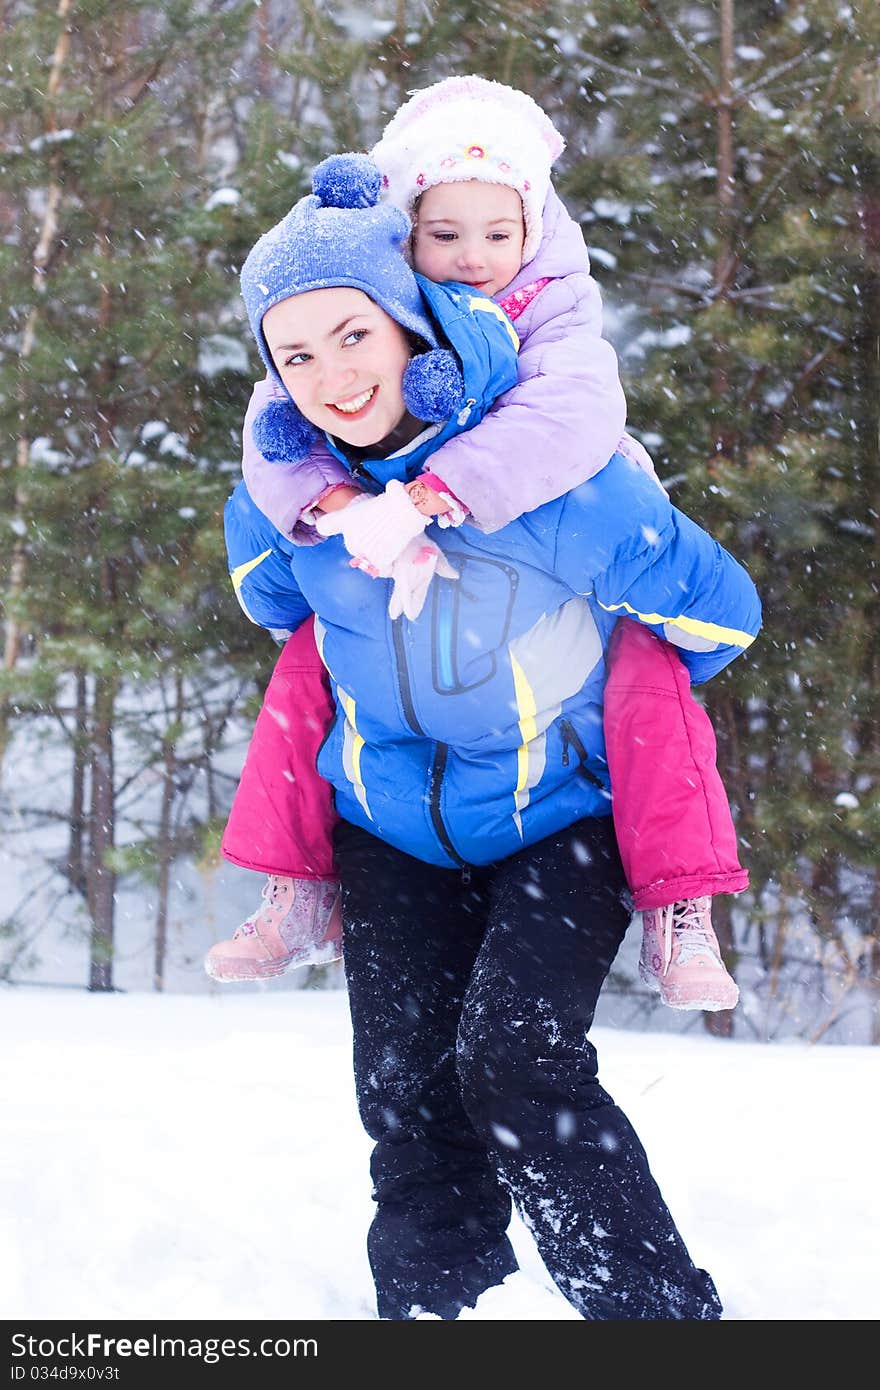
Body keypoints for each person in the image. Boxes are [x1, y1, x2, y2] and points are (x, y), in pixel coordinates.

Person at [221, 154, 760, 1320]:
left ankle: (656, 1315)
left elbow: (719, 614)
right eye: (295, 356)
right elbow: (272, 602)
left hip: (556, 821)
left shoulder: (559, 482)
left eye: (352, 336)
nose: (329, 376)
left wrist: (621, 663)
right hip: (387, 828)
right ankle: (430, 1311)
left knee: (516, 1060)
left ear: (413, 319)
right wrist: (317, 514)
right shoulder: (291, 500)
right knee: (406, 1093)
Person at [208, 77, 748, 1012]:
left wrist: (431, 494)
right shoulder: (371, 297)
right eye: (443, 236)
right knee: (311, 662)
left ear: (531, 227)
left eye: (497, 236)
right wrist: (332, 503)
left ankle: (683, 897)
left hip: (547, 477)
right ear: (406, 232)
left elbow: (573, 414)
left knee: (644, 675)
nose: (471, 260)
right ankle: (291, 884)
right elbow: (278, 406)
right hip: (396, 543)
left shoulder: (556, 295)